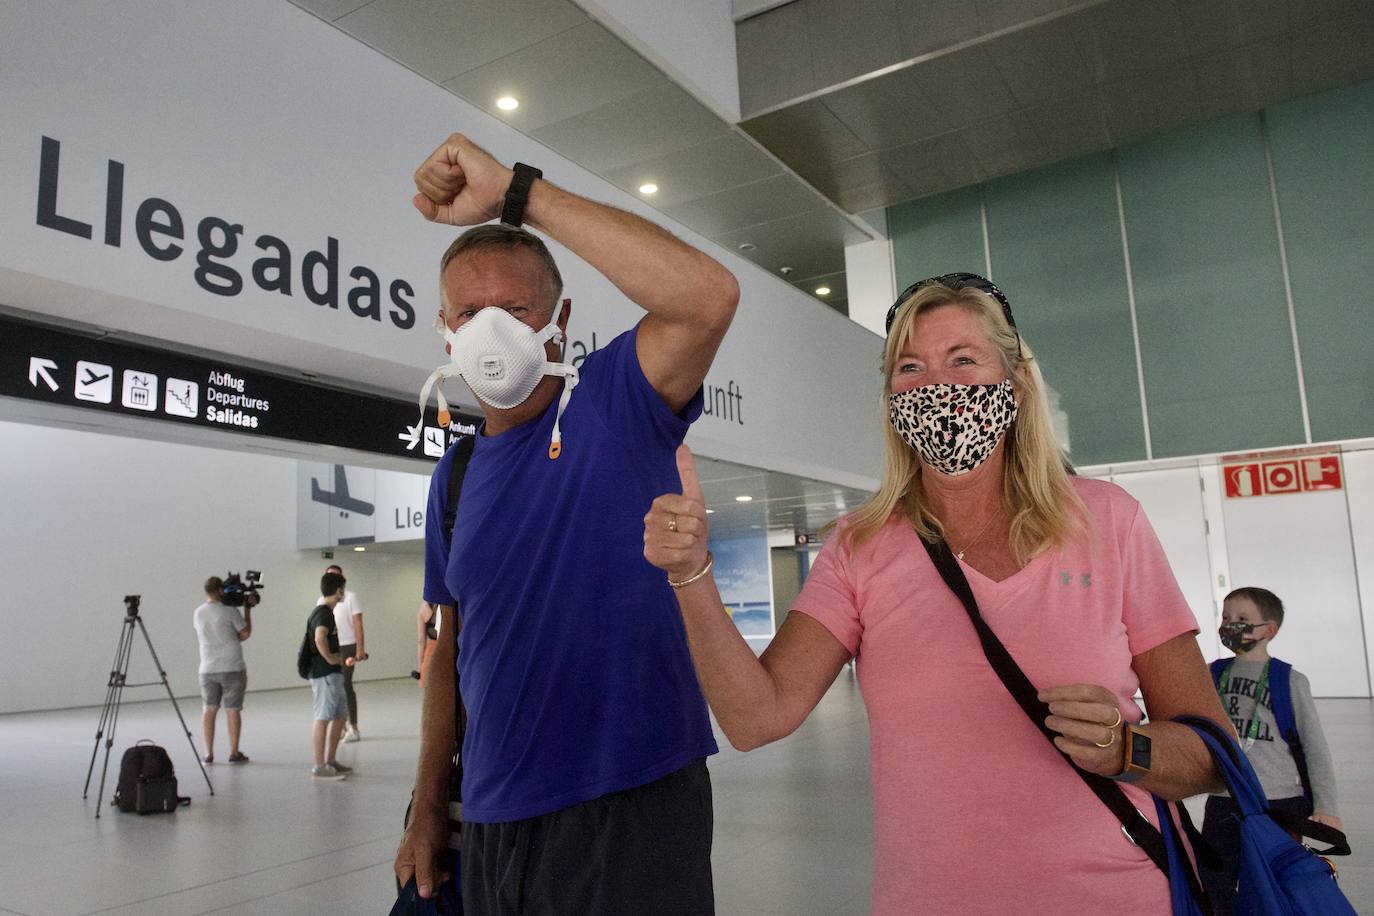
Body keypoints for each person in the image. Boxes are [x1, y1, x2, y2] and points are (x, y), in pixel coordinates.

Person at [643, 273, 1231, 914]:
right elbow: (757, 718)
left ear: (1016, 382)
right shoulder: (859, 547)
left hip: (1119, 894)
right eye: (910, 367)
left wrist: (1128, 748)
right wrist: (691, 573)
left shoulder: (1108, 521)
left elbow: (1210, 752)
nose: (935, 387)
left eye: (963, 360)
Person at [394, 133, 738, 913]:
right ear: (444, 326)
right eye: (471, 312)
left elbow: (707, 296)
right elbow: (450, 647)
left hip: (630, 808)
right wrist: (426, 803)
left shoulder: (613, 407)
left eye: (514, 310)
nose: (491, 331)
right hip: (489, 819)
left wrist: (519, 196)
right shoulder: (455, 476)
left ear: (560, 320)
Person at [1201, 586, 1343, 914]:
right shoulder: (1213, 674)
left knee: (1272, 876)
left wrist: (1327, 806)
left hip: (1279, 801)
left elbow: (1315, 748)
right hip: (1225, 797)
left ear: (1270, 629)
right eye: (1226, 617)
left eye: (1242, 619)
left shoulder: (1290, 680)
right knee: (1215, 875)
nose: (1230, 625)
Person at [193, 576, 254, 764]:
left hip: (207, 668)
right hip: (232, 666)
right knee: (233, 710)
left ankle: (208, 754)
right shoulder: (230, 611)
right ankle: (234, 753)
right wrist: (247, 609)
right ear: (220, 591)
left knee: (209, 710)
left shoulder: (198, 612)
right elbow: (245, 633)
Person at [306, 570, 354, 781]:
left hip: (333, 674)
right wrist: (330, 659)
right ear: (338, 590)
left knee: (339, 715)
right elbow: (319, 638)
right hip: (324, 674)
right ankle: (319, 766)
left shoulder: (327, 611)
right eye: (342, 589)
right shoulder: (323, 613)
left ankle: (331, 760)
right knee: (323, 717)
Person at [324, 563, 367, 742]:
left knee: (345, 685)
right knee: (333, 688)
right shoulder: (322, 600)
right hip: (330, 647)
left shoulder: (350, 598)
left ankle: (353, 727)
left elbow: (357, 623)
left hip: (347, 646)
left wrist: (360, 648)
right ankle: (340, 727)